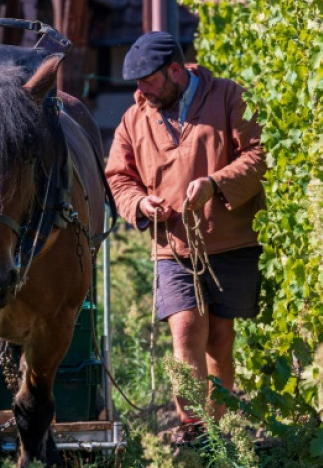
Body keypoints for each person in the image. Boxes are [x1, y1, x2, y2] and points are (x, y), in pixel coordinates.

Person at [104, 31, 266, 446]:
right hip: (172, 247)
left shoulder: (229, 96)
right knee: (186, 329)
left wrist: (215, 182)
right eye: (137, 84)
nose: (141, 91)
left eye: (149, 81)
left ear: (175, 71)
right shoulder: (133, 119)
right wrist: (140, 204)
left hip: (230, 242)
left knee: (220, 338)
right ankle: (193, 429)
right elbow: (118, 178)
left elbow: (257, 154)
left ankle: (220, 428)